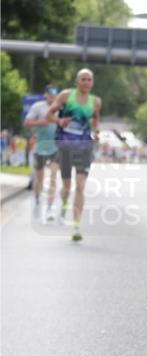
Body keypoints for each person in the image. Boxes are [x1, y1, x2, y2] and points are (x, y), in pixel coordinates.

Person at [46, 69, 101, 243]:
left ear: (92, 82)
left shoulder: (95, 101)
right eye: (83, 79)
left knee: (80, 186)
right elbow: (49, 114)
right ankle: (63, 206)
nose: (86, 82)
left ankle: (76, 226)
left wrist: (95, 133)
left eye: (89, 79)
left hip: (84, 147)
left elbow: (95, 121)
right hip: (65, 146)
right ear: (77, 81)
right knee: (67, 186)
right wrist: (59, 121)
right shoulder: (66, 96)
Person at [24, 84, 60, 221]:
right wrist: (43, 121)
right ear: (45, 94)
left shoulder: (61, 108)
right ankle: (37, 199)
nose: (52, 95)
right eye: (50, 92)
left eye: (55, 92)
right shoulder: (38, 107)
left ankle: (49, 208)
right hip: (40, 146)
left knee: (53, 177)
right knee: (39, 178)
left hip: (56, 147)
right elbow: (27, 123)